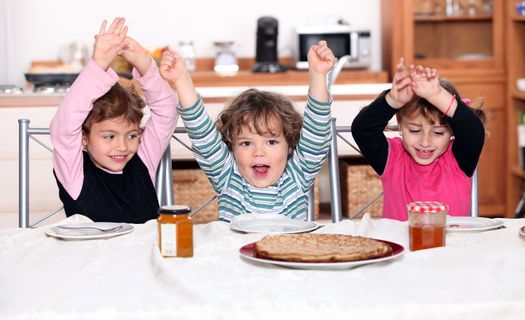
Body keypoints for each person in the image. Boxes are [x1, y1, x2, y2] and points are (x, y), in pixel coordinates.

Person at [159, 41, 335, 222]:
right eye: (246, 143)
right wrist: (181, 80)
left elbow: (317, 132)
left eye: (271, 142)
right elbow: (201, 132)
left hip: (288, 251)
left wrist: (318, 75)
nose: (258, 152)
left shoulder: (297, 176)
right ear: (232, 147)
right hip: (235, 251)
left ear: (290, 146)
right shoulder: (226, 175)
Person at [50, 17, 178, 223]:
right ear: (84, 136)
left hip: (142, 255)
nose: (122, 146)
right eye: (109, 136)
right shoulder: (74, 172)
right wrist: (98, 65)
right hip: (90, 255)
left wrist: (145, 63)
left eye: (132, 135)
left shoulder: (143, 160)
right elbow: (64, 125)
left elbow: (168, 112)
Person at [351, 57, 487, 221]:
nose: (425, 142)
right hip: (400, 246)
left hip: (452, 246)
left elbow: (473, 131)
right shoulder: (391, 157)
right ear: (400, 124)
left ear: (452, 130)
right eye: (415, 130)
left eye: (438, 133)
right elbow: (362, 129)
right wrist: (393, 101)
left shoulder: (458, 159)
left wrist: (436, 95)